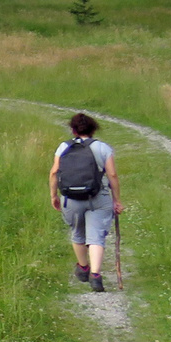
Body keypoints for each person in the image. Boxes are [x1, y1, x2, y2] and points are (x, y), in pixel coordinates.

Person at [49, 112, 121, 292]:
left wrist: (54, 196)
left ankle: (83, 268)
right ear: (93, 129)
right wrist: (117, 200)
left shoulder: (63, 147)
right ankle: (96, 275)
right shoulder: (103, 148)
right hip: (98, 197)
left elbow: (54, 173)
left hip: (71, 198)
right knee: (96, 236)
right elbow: (112, 175)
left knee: (77, 232)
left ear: (73, 130)